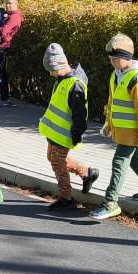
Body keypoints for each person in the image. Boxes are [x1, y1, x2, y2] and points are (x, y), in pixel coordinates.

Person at [89, 33, 138, 220]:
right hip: (121, 130)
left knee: (119, 162)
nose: (112, 62)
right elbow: (112, 102)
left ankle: (111, 202)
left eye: (115, 59)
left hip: (133, 131)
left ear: (126, 57)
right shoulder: (116, 75)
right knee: (134, 159)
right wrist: (108, 123)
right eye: (110, 59)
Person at [39, 43, 99, 208]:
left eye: (51, 70)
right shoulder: (61, 80)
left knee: (57, 162)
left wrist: (77, 133)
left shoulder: (75, 84)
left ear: (59, 65)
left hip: (65, 134)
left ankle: (66, 198)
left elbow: (80, 114)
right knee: (52, 158)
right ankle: (87, 172)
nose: (50, 74)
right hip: (55, 132)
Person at [0, 0, 23, 107]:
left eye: (10, 3)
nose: (8, 5)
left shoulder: (14, 17)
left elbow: (4, 31)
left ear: (16, 4)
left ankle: (4, 99)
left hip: (2, 47)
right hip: (0, 45)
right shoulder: (10, 15)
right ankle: (5, 98)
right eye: (7, 3)